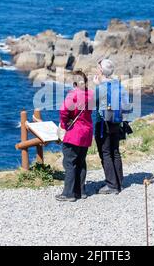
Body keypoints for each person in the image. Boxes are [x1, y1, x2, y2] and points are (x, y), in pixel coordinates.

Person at [56, 70, 94, 202]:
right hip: (87, 131)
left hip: (74, 132)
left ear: (75, 83)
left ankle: (68, 193)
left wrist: (64, 124)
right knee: (81, 161)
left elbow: (64, 110)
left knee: (69, 162)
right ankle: (80, 191)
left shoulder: (73, 94)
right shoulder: (91, 94)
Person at [94, 59, 131, 195]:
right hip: (117, 122)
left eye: (98, 68)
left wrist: (97, 85)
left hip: (103, 123)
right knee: (115, 151)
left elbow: (93, 103)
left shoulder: (100, 87)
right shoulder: (119, 85)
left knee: (105, 152)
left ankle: (111, 185)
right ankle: (118, 181)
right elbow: (126, 104)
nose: (96, 70)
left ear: (102, 71)